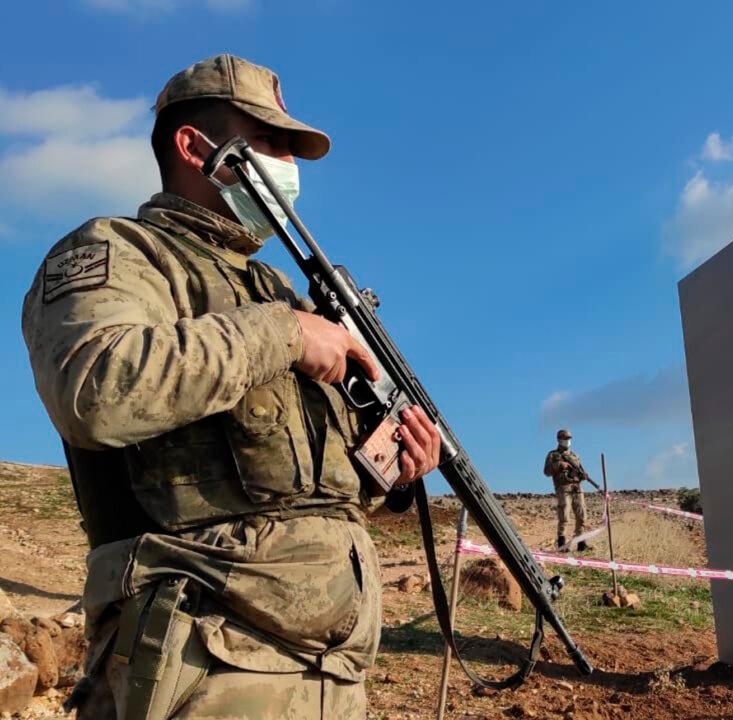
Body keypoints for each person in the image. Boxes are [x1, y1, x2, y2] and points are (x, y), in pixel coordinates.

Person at [21, 54, 441, 720]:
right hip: (200, 665)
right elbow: (94, 392)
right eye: (271, 143)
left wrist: (396, 468)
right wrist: (286, 336)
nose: (289, 167)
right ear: (194, 147)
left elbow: (307, 487)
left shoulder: (274, 291)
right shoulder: (118, 252)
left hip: (332, 673)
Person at [542, 429, 590, 551]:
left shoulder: (575, 456)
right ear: (559, 440)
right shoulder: (553, 455)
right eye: (565, 439)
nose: (567, 441)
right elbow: (546, 471)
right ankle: (562, 544)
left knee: (582, 516)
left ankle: (581, 543)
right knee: (564, 516)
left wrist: (583, 476)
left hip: (577, 488)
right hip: (563, 488)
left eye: (569, 439)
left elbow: (580, 471)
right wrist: (559, 465)